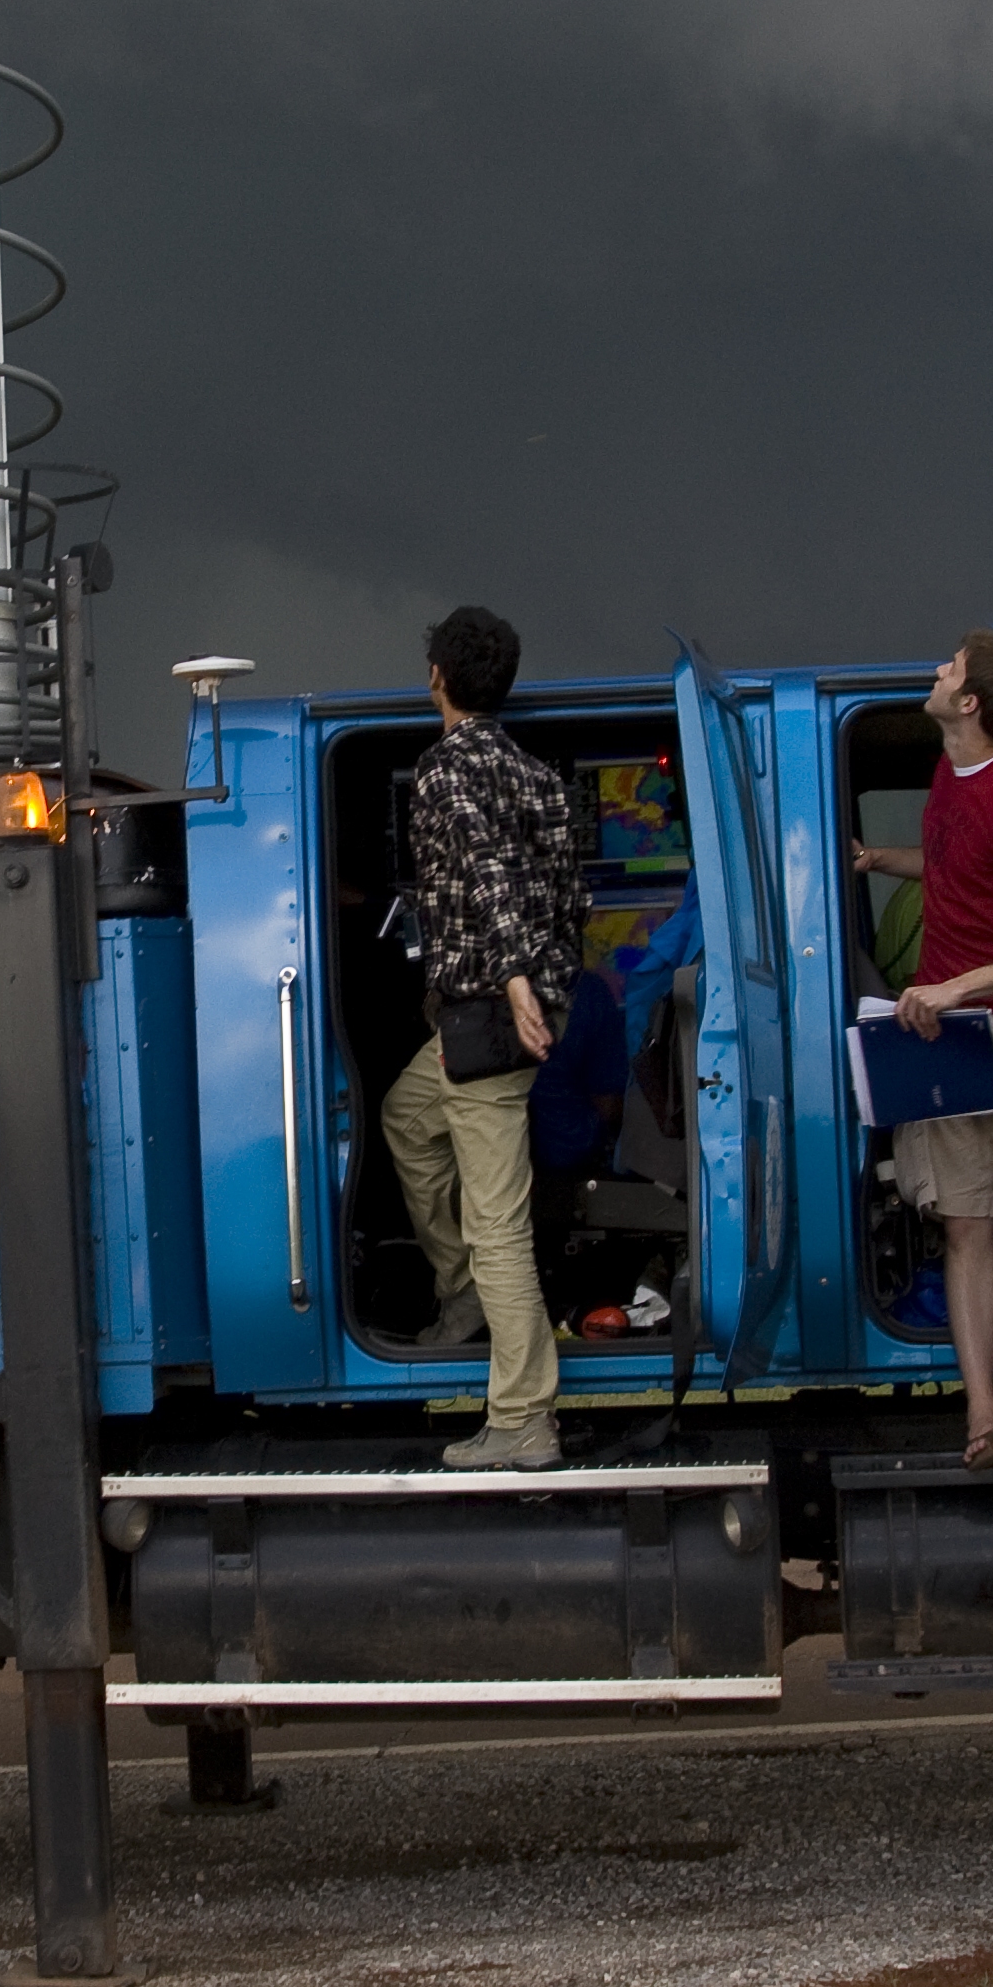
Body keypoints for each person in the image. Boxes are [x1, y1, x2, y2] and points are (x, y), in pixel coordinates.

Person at [381, 604, 589, 1470]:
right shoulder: (540, 777)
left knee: (496, 1220)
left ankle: (522, 1419)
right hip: (503, 1016)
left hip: (489, 1015)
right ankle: (462, 1292)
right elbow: (573, 898)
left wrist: (513, 982)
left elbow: (487, 872)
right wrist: (554, 984)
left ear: (437, 678)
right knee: (404, 1118)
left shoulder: (443, 772)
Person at [848, 630, 993, 1467]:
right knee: (966, 1229)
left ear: (969, 705)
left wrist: (960, 987)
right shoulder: (945, 774)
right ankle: (983, 1420)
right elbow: (956, 868)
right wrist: (874, 859)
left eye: (950, 669)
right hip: (944, 1038)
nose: (935, 669)